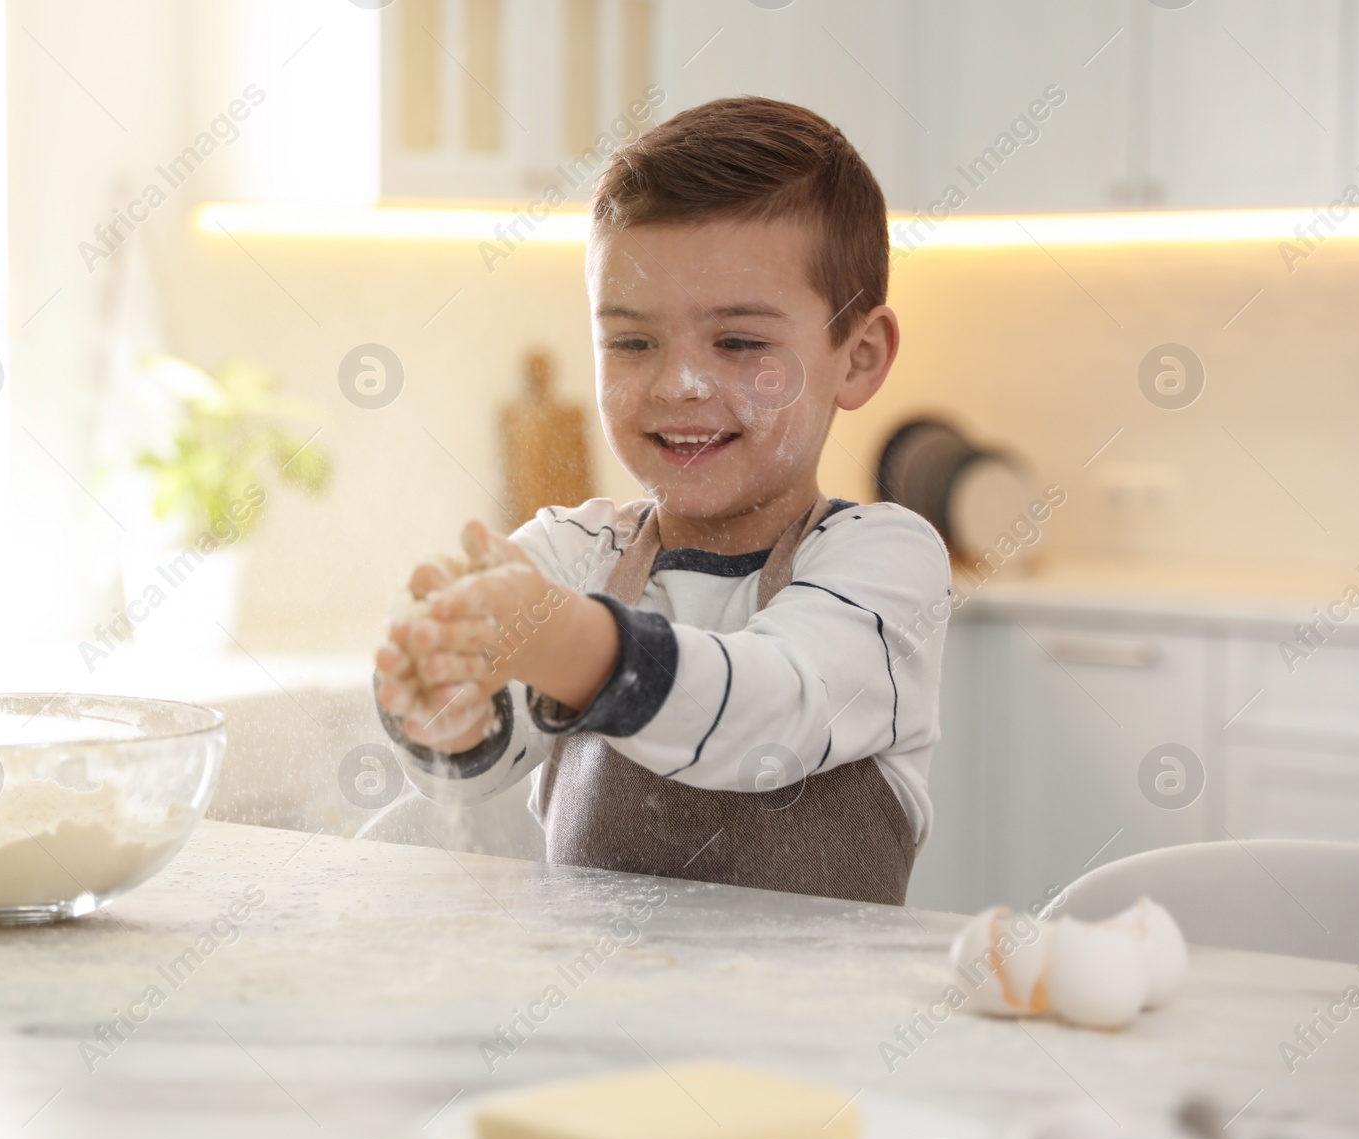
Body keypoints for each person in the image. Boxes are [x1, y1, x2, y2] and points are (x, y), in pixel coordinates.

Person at [373, 97, 951, 904]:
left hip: (822, 1030)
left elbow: (772, 714)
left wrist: (580, 648)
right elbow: (474, 767)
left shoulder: (885, 563)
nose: (679, 383)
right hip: (595, 1024)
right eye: (633, 343)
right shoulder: (576, 555)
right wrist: (445, 707)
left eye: (740, 342)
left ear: (857, 358)